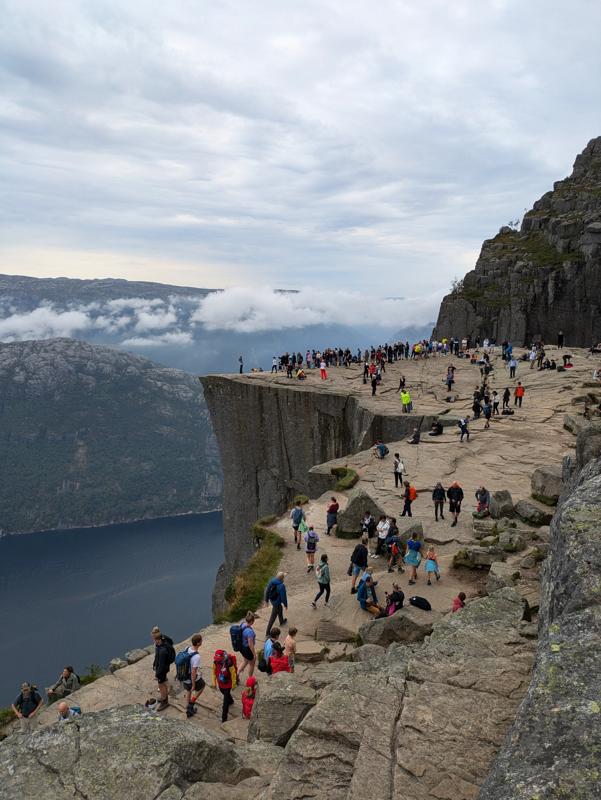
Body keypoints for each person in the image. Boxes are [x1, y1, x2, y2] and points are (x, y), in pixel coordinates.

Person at [180, 633, 205, 718]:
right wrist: (194, 684)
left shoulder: (187, 648)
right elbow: (194, 671)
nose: (202, 641)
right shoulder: (197, 656)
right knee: (202, 686)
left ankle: (188, 707)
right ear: (198, 643)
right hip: (190, 678)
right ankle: (191, 703)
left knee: (188, 690)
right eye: (201, 641)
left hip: (183, 676)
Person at [152, 626, 175, 711]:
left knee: (161, 684)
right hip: (164, 668)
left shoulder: (162, 651)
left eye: (154, 639)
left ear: (157, 639)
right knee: (162, 683)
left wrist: (157, 675)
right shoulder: (162, 642)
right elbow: (157, 656)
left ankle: (165, 701)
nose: (153, 641)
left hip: (162, 669)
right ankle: (163, 697)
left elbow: (161, 665)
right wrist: (154, 663)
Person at [211, 649, 237, 723]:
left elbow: (233, 674)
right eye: (216, 659)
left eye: (218, 659)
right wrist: (214, 683)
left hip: (228, 684)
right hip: (220, 683)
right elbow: (213, 672)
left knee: (225, 703)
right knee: (225, 694)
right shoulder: (215, 662)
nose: (217, 660)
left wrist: (233, 684)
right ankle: (231, 701)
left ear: (223, 657)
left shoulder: (229, 663)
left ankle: (224, 719)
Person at [237, 612, 257, 679]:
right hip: (247, 649)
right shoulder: (249, 632)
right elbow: (250, 645)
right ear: (251, 621)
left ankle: (237, 674)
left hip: (242, 647)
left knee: (245, 661)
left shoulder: (242, 624)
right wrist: (254, 654)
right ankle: (250, 679)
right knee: (252, 664)